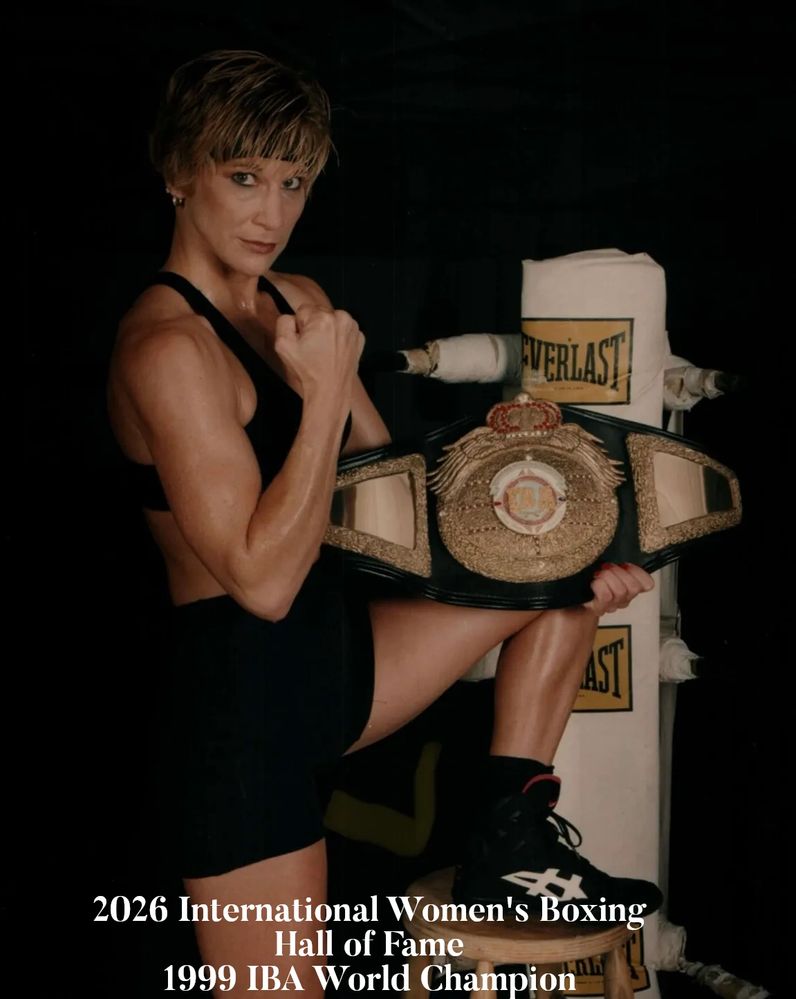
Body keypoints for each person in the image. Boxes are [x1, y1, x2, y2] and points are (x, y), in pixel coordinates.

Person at [107, 49, 660, 994]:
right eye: (243, 178)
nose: (271, 212)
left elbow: (392, 493)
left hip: (339, 663)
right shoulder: (167, 350)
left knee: (562, 572)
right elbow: (261, 583)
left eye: (293, 183)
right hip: (239, 713)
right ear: (178, 174)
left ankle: (509, 842)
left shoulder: (299, 301)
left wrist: (548, 523)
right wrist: (324, 393)